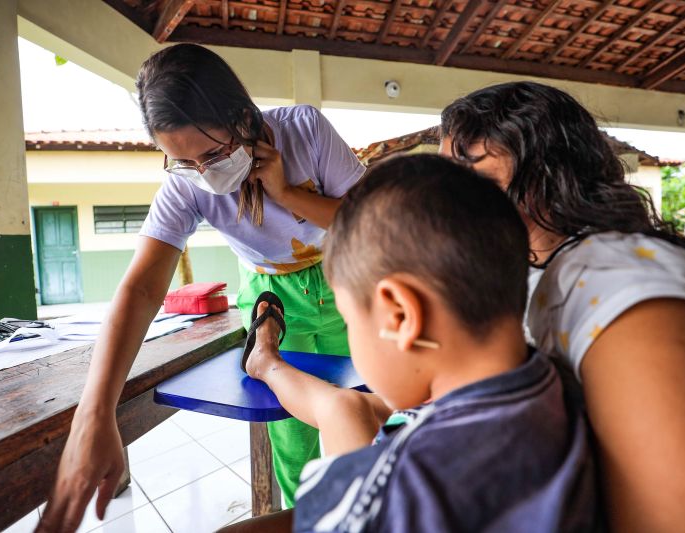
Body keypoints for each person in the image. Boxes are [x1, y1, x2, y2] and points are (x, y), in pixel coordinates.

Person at [38, 44, 364, 531]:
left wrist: (288, 194)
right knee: (295, 437)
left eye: (213, 154)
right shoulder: (184, 187)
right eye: (183, 161)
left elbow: (369, 220)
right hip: (273, 294)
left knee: (360, 401)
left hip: (346, 270)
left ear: (242, 116)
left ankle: (364, 505)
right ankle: (314, 520)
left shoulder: (305, 129)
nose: (204, 173)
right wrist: (94, 410)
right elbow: (142, 289)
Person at [221, 154, 599, 533]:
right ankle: (268, 363)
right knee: (343, 405)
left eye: (351, 322)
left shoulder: (403, 487)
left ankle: (268, 363)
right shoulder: (557, 382)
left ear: (400, 315)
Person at [439, 81, 685, 532]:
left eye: (474, 186)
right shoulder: (538, 271)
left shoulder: (621, 287)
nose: (447, 207)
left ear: (547, 179)